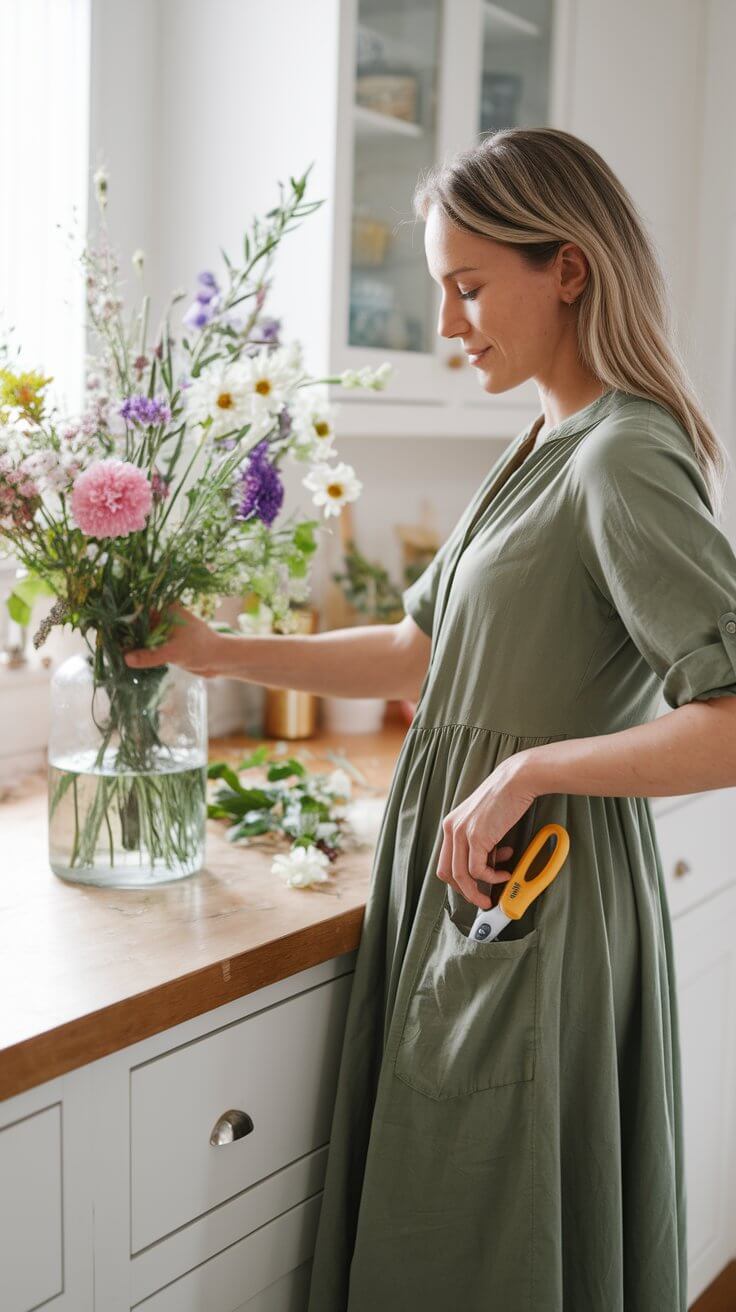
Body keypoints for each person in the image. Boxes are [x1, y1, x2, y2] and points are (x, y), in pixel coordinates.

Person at [124, 128, 736, 1311]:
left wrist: (527, 771)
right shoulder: (543, 442)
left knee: (484, 1241)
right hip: (474, 885)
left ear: (567, 266)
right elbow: (415, 647)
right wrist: (213, 650)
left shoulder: (623, 455)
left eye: (467, 287)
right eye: (438, 288)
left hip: (538, 897)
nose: (449, 325)